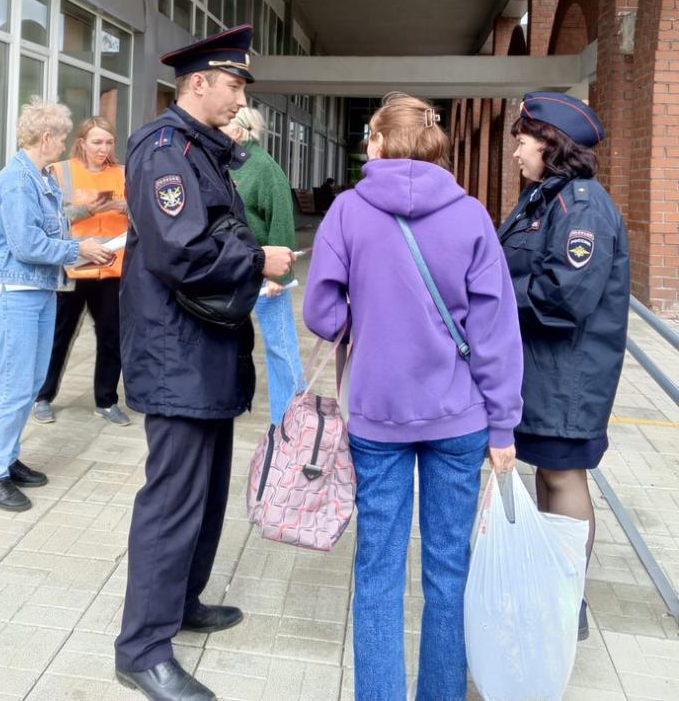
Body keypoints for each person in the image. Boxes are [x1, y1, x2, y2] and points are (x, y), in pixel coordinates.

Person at [303, 93, 523, 701]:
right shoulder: (473, 215)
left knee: (377, 573)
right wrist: (503, 428)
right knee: (450, 571)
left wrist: (370, 313)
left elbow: (321, 313)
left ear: (378, 142)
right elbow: (496, 332)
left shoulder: (347, 211)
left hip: (378, 415)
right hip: (460, 418)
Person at [114, 25, 294, 701]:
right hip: (178, 354)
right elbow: (181, 252)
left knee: (206, 494)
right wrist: (260, 260)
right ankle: (141, 649)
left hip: (206, 353)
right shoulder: (166, 152)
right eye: (234, 84)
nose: (240, 96)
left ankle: (180, 604)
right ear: (198, 84)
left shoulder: (203, 152)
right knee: (173, 501)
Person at [498, 91, 630, 642]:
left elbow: (563, 297)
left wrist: (495, 296)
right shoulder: (542, 200)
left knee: (563, 473)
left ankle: (568, 596)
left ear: (552, 144)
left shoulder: (582, 205)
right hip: (543, 368)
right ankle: (553, 586)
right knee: (549, 473)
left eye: (523, 141)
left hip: (568, 372)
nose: (516, 153)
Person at [0, 99, 113, 512]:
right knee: (14, 384)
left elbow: (49, 227)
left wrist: (83, 231)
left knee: (31, 381)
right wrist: (78, 248)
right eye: (64, 137)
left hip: (37, 291)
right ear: (47, 137)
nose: (66, 144)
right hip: (11, 294)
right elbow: (27, 244)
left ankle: (7, 458)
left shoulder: (42, 178)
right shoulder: (18, 181)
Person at [32, 116, 130, 426]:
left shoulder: (124, 174)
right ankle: (42, 397)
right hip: (72, 270)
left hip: (112, 271)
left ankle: (106, 401)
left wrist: (123, 207)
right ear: (82, 143)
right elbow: (50, 219)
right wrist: (88, 209)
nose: (103, 148)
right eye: (97, 142)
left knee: (112, 338)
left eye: (109, 142)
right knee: (58, 336)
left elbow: (144, 211)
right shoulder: (61, 172)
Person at [221, 106, 306, 424]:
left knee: (280, 348)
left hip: (264, 274)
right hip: (229, 269)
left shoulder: (264, 168)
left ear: (240, 130)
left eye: (224, 126)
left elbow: (282, 220)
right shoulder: (221, 160)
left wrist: (279, 277)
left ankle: (290, 418)